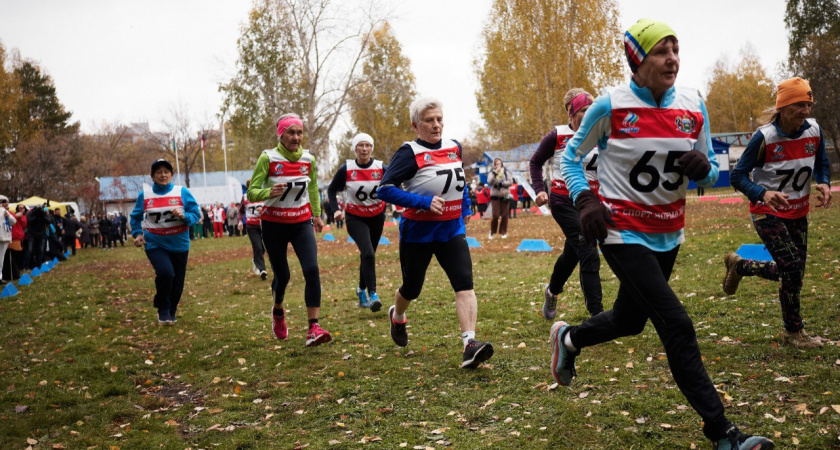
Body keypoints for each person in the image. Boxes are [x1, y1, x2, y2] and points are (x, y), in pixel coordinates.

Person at [551, 19, 773, 450]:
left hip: (668, 234)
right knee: (676, 323)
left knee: (629, 321)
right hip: (621, 233)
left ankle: (569, 338)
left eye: (676, 49)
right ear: (638, 59)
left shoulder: (693, 103)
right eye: (661, 51)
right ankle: (724, 434)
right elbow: (570, 158)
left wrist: (703, 165)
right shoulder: (609, 106)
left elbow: (708, 156)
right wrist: (584, 200)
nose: (672, 58)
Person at [378, 97, 494, 369]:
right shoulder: (409, 152)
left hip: (452, 229)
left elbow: (460, 180)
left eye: (439, 119)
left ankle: (470, 344)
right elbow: (384, 189)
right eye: (429, 120)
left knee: (464, 283)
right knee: (412, 288)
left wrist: (465, 206)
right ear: (415, 125)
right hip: (418, 232)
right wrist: (423, 202)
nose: (436, 124)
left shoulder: (454, 147)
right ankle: (397, 316)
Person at [723, 77, 831, 349]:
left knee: (795, 273)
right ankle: (794, 333)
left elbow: (822, 162)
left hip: (798, 212)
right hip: (766, 212)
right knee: (792, 268)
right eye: (798, 105)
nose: (805, 111)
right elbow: (737, 176)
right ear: (782, 107)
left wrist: (825, 181)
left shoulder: (815, 131)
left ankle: (740, 266)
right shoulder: (765, 137)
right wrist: (762, 193)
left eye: (808, 104)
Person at [247, 113, 332, 347]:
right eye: (291, 132)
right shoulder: (268, 158)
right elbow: (252, 191)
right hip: (274, 224)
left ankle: (313, 326)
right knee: (283, 275)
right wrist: (268, 192)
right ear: (281, 134)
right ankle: (277, 311)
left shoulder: (308, 159)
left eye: (299, 132)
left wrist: (316, 214)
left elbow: (313, 188)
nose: (296, 137)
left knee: (312, 269)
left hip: (301, 223)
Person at [529, 88, 604, 319]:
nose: (589, 113)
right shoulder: (557, 136)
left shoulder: (602, 133)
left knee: (572, 254)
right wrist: (540, 190)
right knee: (589, 251)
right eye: (583, 110)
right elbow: (535, 162)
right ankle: (597, 314)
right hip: (563, 201)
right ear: (571, 114)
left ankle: (552, 291)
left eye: (592, 109)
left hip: (590, 203)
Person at [130, 159, 202, 324]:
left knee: (177, 282)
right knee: (165, 273)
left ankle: (172, 309)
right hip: (155, 243)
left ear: (171, 175)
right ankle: (163, 309)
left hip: (180, 244)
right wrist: (137, 234)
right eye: (158, 172)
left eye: (166, 172)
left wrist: (184, 216)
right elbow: (135, 217)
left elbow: (196, 215)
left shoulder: (182, 192)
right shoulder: (145, 195)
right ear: (152, 176)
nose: (163, 175)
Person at [328, 132, 388, 311]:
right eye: (360, 146)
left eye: (367, 145)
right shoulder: (346, 169)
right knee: (368, 253)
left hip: (377, 216)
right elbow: (331, 190)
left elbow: (395, 184)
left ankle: (361, 289)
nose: (364, 149)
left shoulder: (381, 167)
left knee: (367, 255)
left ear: (372, 148)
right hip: (355, 217)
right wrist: (336, 210)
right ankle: (373, 294)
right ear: (355, 149)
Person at [241, 180, 268, 280]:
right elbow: (240, 210)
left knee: (264, 246)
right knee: (258, 247)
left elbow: (270, 208)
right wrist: (240, 221)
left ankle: (256, 260)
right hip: (251, 226)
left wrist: (263, 210)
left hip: (263, 224)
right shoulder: (244, 197)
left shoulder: (263, 195)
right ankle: (262, 270)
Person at [487, 158, 512, 239]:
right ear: (494, 165)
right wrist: (495, 174)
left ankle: (503, 232)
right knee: (496, 215)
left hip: (504, 195)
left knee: (505, 215)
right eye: (497, 164)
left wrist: (502, 183)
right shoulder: (491, 172)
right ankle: (492, 231)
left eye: (500, 164)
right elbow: (490, 181)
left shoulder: (506, 172)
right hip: (495, 195)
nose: (498, 165)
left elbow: (510, 182)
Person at [0, 196, 17, 283]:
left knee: (1, 259)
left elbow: (13, 221)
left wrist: (8, 215)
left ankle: (0, 277)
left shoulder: (6, 212)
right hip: (1, 236)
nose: (5, 204)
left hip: (5, 237)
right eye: (4, 202)